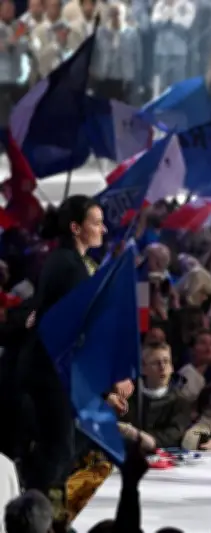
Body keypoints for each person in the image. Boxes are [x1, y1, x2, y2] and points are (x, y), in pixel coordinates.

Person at [17, 195, 106, 522]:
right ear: (75, 228)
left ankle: (40, 513)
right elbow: (75, 326)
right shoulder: (69, 266)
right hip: (51, 371)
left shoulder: (67, 261)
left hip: (50, 369)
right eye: (95, 223)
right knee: (59, 449)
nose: (103, 229)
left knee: (64, 446)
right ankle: (33, 518)